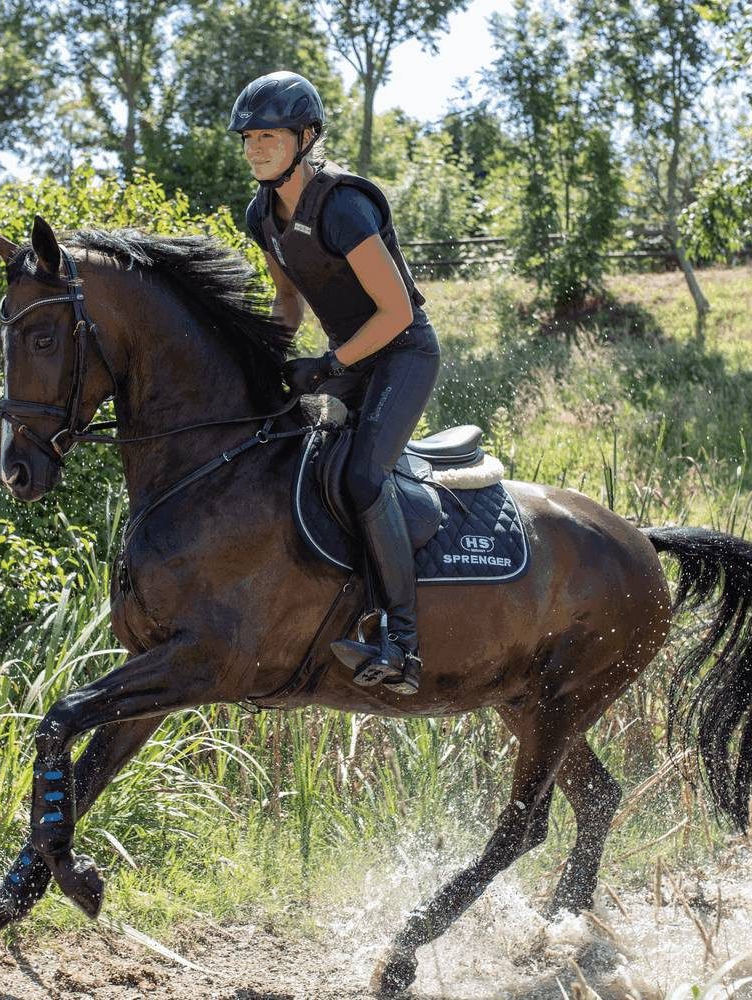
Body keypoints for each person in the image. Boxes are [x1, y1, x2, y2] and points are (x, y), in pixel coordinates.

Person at [229, 70, 441, 697]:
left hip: (402, 354)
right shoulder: (261, 214)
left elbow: (397, 312)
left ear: (306, 136)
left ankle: (401, 642)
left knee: (361, 476)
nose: (255, 148)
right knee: (286, 454)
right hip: (350, 357)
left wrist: (326, 366)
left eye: (268, 135)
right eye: (247, 138)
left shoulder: (343, 206)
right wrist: (267, 356)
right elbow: (289, 301)